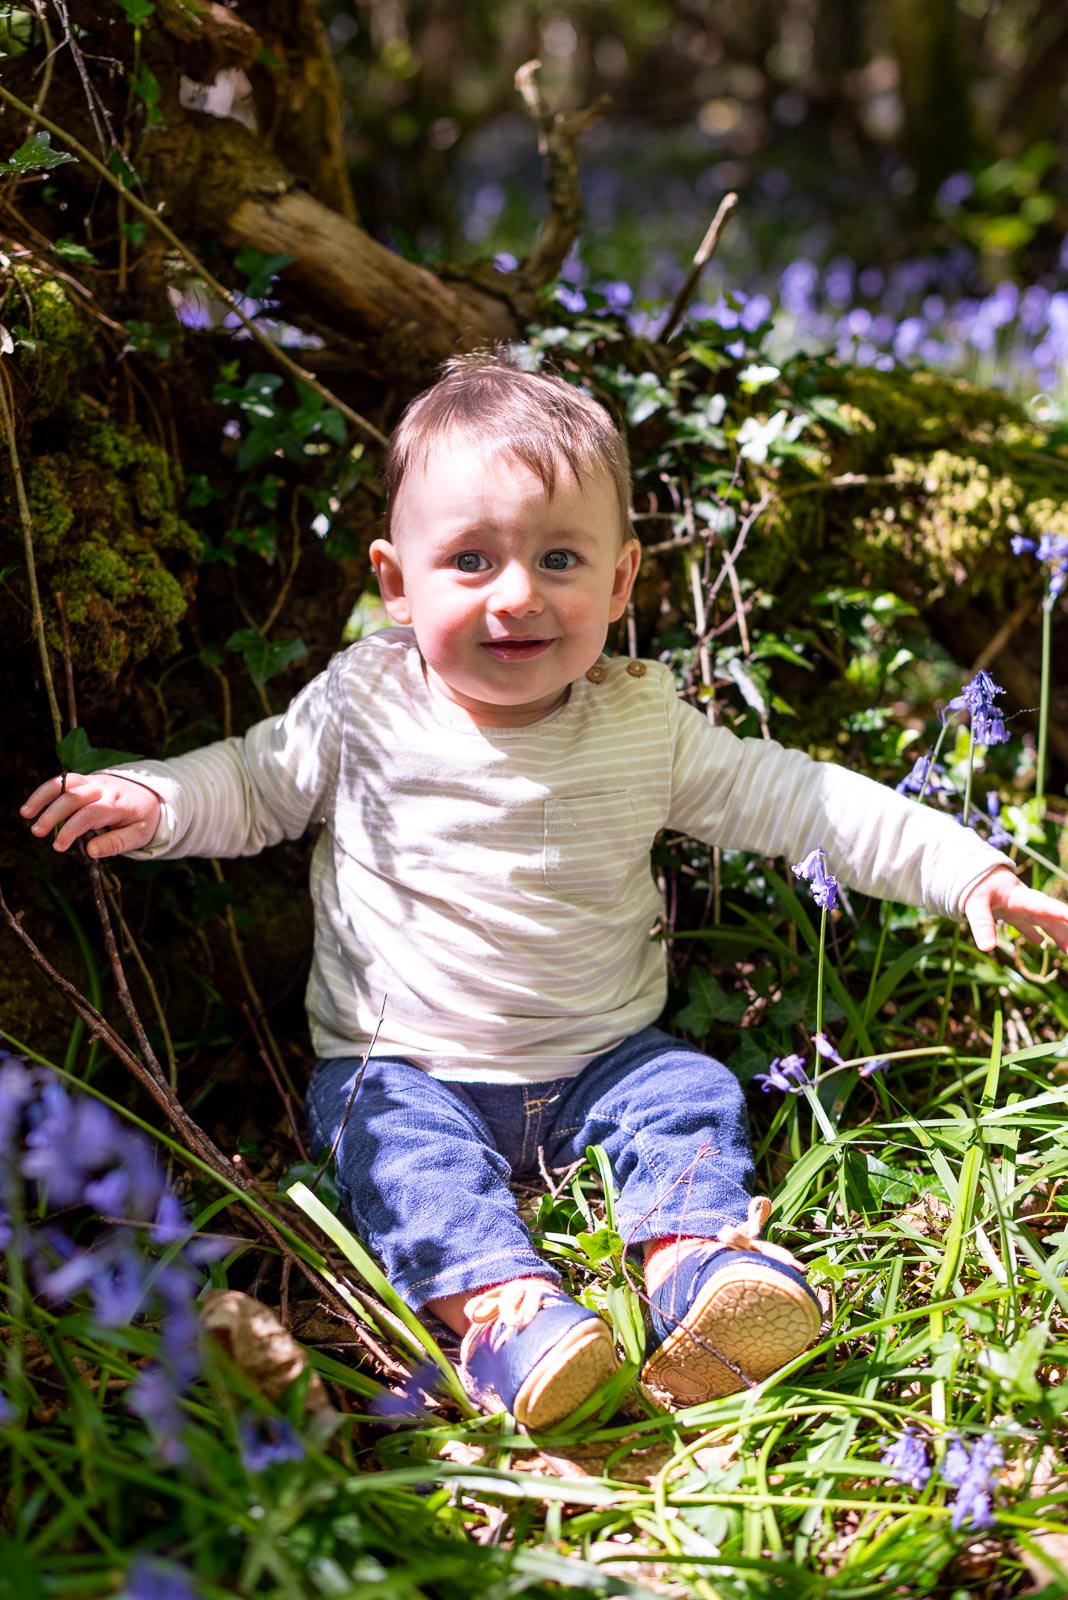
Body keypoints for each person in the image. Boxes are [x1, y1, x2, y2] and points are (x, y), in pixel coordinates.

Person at [22, 354, 1068, 1430]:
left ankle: (699, 1268)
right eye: (470, 559)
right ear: (395, 581)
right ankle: (509, 1315)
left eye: (559, 557)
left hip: (604, 1058)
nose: (517, 595)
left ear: (620, 583)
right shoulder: (361, 705)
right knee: (393, 1154)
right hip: (405, 1068)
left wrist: (965, 870)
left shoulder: (641, 723)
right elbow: (250, 784)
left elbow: (802, 801)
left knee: (688, 1094)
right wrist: (153, 800)